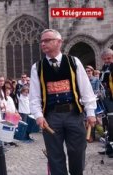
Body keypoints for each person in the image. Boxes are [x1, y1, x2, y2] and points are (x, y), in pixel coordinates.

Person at [29, 29, 96, 175]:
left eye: (47, 40)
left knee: (78, 150)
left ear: (59, 42)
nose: (43, 43)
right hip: (51, 117)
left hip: (74, 114)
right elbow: (34, 96)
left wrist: (90, 112)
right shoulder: (37, 67)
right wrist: (38, 115)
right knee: (55, 156)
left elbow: (85, 88)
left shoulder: (73, 61)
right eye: (41, 41)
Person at [98, 48, 113, 156]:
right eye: (105, 59)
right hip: (105, 98)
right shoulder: (104, 67)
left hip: (111, 99)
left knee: (112, 123)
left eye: (109, 58)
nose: (107, 61)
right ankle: (108, 146)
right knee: (106, 124)